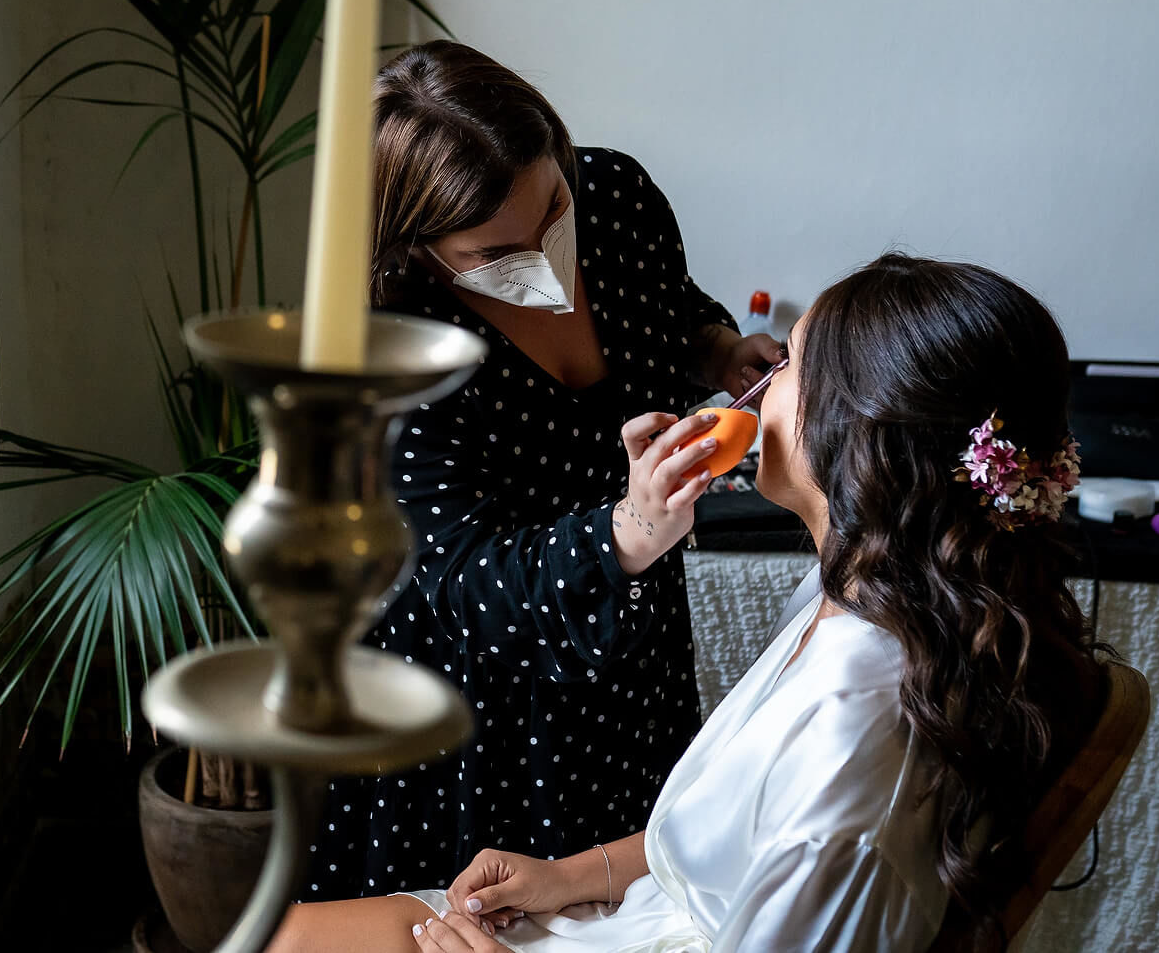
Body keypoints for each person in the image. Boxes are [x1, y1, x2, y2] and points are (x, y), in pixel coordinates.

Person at [274, 253, 1108, 952]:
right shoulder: (870, 598)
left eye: (786, 368)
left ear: (857, 439)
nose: (752, 386)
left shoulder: (851, 756)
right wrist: (571, 875)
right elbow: (739, 837)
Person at [309, 42, 781, 900]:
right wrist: (628, 531)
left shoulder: (615, 197)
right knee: (496, 913)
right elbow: (455, 577)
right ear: (413, 248)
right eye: (496, 253)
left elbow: (668, 306)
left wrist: (719, 349)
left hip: (630, 638)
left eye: (552, 210)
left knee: (639, 890)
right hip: (478, 689)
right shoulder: (379, 338)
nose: (545, 259)